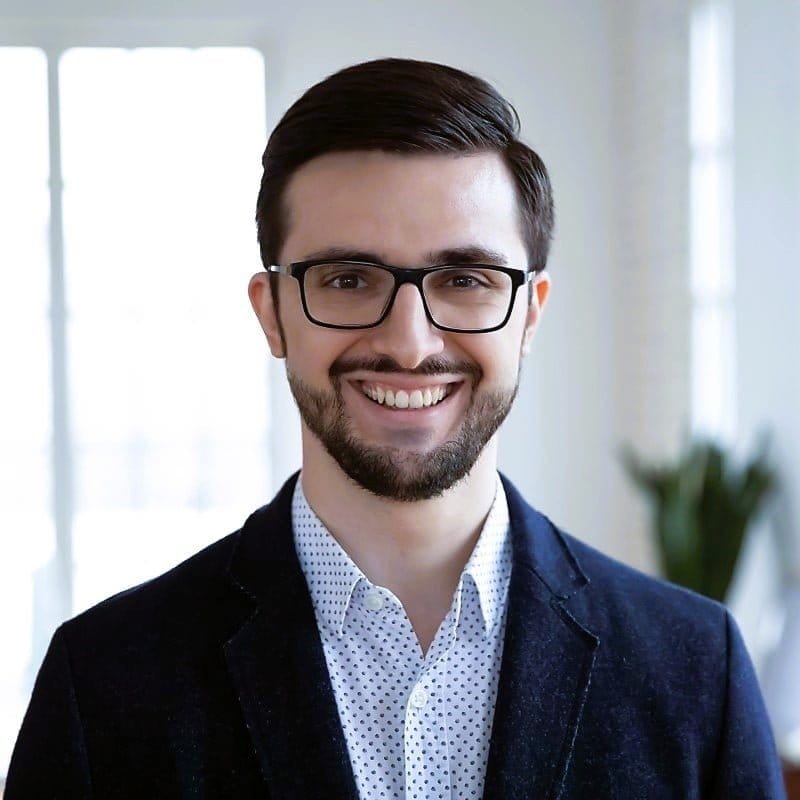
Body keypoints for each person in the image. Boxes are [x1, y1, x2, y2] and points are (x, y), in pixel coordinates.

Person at [6, 58, 785, 799]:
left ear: (530, 313)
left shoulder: (694, 670)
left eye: (466, 280)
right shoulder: (105, 684)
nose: (410, 343)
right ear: (271, 313)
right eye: (347, 279)